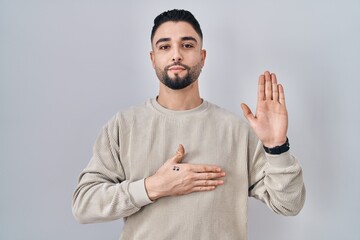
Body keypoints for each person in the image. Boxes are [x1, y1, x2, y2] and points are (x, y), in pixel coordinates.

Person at [72, 9, 305, 240]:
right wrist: (153, 187)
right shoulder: (124, 126)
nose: (176, 55)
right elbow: (84, 204)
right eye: (165, 46)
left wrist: (277, 147)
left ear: (202, 57)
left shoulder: (236, 130)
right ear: (153, 59)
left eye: (187, 45)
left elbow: (289, 204)